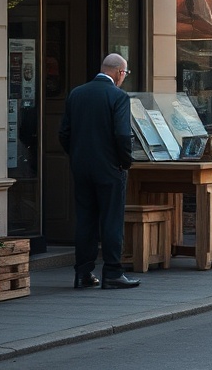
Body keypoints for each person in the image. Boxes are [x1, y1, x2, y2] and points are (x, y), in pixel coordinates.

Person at [58, 53, 139, 290]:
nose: (124, 78)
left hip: (82, 167)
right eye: (125, 74)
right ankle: (113, 272)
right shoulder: (118, 96)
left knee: (86, 220)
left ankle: (83, 273)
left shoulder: (77, 93)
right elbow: (123, 135)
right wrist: (125, 162)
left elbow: (64, 133)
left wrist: (77, 155)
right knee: (111, 219)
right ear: (118, 73)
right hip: (110, 167)